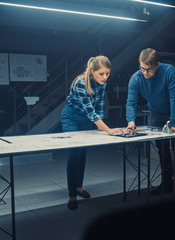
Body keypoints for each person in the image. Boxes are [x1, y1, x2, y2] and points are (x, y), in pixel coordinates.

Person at [61, 56, 124, 210]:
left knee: (82, 152)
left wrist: (100, 127)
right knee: (73, 153)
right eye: (101, 73)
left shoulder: (102, 83)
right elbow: (90, 111)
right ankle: (72, 195)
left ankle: (79, 187)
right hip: (71, 118)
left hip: (85, 119)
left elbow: (100, 106)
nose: (105, 77)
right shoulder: (81, 83)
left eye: (107, 73)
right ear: (92, 71)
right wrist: (108, 129)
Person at [126, 48, 175, 195]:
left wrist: (174, 123)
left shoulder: (169, 71)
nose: (145, 73)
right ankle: (166, 183)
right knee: (162, 148)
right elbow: (131, 103)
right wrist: (131, 121)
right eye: (142, 69)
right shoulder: (136, 78)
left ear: (157, 64)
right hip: (156, 113)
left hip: (174, 111)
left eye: (149, 70)